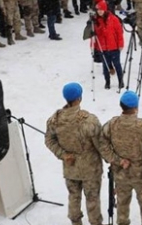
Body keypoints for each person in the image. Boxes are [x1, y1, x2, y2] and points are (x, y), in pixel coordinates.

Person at [99, 91, 142, 225]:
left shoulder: (112, 125)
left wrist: (116, 160)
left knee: (122, 206)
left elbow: (102, 145)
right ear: (135, 108)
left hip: (121, 173)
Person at [45, 83, 104, 225]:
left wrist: (63, 154)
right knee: (92, 199)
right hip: (90, 169)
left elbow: (49, 140)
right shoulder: (89, 121)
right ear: (79, 98)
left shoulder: (55, 120)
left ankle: (75, 222)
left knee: (73, 197)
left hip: (70, 167)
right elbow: (101, 145)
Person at [92, 0, 124, 90]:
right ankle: (107, 82)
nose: (99, 12)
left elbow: (119, 32)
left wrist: (120, 44)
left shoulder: (113, 19)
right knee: (106, 66)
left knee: (117, 64)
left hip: (114, 46)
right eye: (98, 10)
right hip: (103, 47)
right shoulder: (96, 21)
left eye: (101, 10)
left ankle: (121, 81)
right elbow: (96, 34)